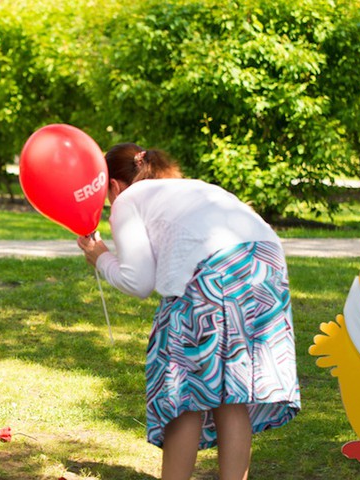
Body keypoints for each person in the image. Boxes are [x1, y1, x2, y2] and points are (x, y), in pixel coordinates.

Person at [77, 143, 301, 480]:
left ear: (113, 185)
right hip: (264, 264)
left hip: (213, 271)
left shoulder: (126, 200)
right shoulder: (188, 187)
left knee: (183, 391)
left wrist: (101, 257)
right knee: (232, 389)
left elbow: (138, 281)